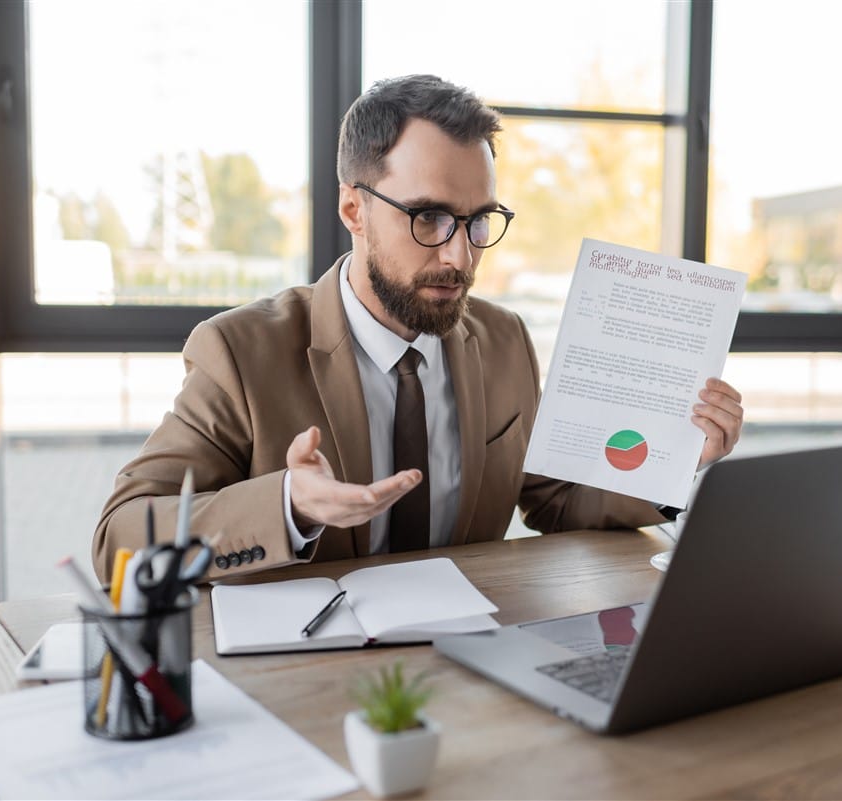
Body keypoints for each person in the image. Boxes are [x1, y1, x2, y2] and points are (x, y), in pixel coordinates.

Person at [92, 74, 744, 583]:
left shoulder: (503, 340)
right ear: (353, 207)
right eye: (428, 217)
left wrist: (673, 459)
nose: (460, 256)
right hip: (309, 687)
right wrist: (289, 504)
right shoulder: (240, 352)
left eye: (478, 220)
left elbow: (552, 499)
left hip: (470, 671)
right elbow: (120, 537)